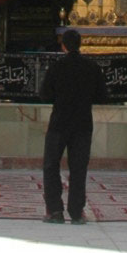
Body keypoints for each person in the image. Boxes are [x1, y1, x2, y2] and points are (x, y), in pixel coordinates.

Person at [39, 27, 107, 223]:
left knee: (51, 165)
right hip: (82, 125)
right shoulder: (91, 67)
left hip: (59, 123)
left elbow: (45, 95)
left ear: (63, 46)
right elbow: (102, 96)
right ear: (80, 45)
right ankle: (77, 212)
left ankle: (55, 211)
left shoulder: (57, 67)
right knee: (78, 168)